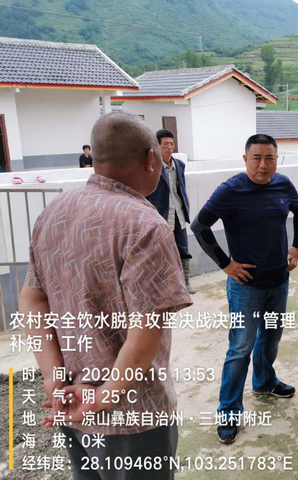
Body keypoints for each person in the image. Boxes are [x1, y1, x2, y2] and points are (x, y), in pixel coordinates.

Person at [20, 112, 192, 479]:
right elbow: (145, 332)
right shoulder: (146, 226)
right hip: (134, 416)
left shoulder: (53, 213)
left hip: (71, 402)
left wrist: (53, 378)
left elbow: (32, 300)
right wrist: (104, 395)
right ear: (150, 159)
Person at [190, 134, 298, 445]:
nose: (263, 165)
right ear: (245, 159)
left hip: (279, 281)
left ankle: (264, 381)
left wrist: (296, 247)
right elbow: (199, 226)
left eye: (270, 158)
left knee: (270, 337)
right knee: (240, 349)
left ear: (277, 159)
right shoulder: (231, 190)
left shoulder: (283, 184)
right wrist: (225, 264)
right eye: (257, 157)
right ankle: (229, 411)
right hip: (245, 288)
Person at [146, 129, 196, 294]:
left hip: (179, 214)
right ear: (157, 146)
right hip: (161, 215)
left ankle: (185, 282)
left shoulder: (179, 165)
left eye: (172, 144)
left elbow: (180, 189)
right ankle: (163, 285)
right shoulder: (152, 167)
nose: (170, 147)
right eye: (166, 144)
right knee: (161, 251)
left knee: (183, 249)